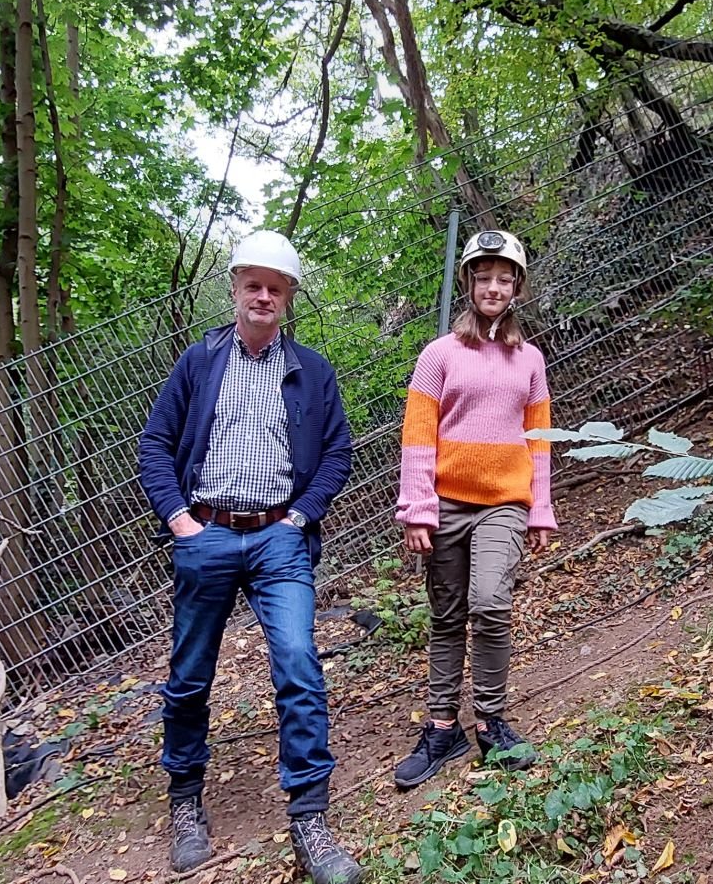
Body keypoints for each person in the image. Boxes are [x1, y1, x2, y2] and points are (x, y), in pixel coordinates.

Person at [137, 230, 362, 884]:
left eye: (276, 287)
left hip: (278, 539)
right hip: (204, 534)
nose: (263, 296)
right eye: (252, 284)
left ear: (288, 297)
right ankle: (185, 800)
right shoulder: (200, 362)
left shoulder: (312, 371)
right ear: (234, 289)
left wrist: (299, 516)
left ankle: (310, 818)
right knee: (188, 674)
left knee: (297, 660)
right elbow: (155, 444)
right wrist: (179, 519)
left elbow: (339, 451)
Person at [390, 228, 556, 790]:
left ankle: (489, 721)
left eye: (503, 279)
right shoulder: (438, 355)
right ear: (468, 283)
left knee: (490, 602)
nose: (493, 287)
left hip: (504, 502)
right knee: (446, 614)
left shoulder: (529, 360)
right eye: (483, 277)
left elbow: (539, 439)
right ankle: (442, 728)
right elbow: (418, 434)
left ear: (517, 288)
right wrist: (417, 508)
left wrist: (540, 509)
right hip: (446, 502)